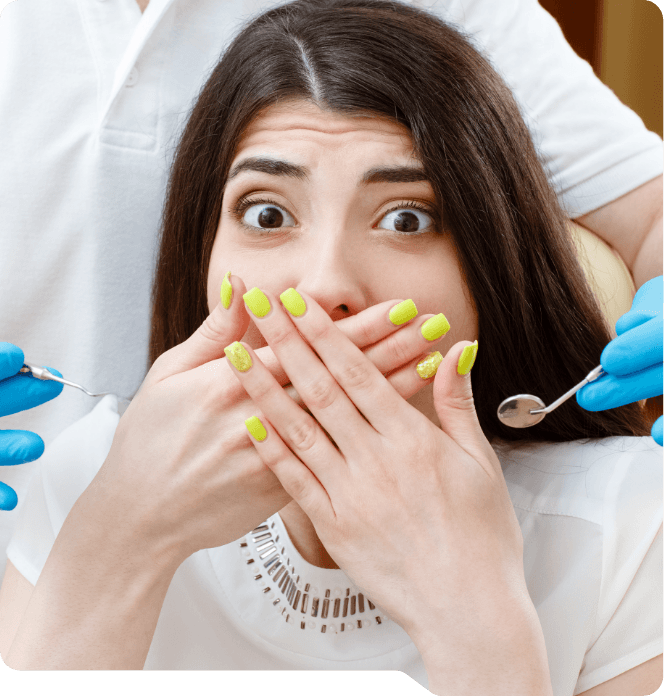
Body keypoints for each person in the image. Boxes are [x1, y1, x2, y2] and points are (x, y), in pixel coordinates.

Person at [0, 2, 661, 692]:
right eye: (268, 214)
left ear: (489, 269)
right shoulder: (93, 479)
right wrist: (120, 540)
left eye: (406, 219)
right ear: (203, 258)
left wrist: (478, 621)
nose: (326, 285)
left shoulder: (634, 525)